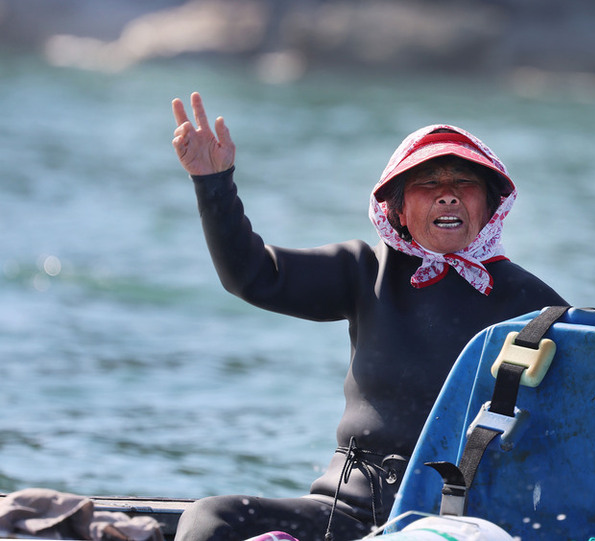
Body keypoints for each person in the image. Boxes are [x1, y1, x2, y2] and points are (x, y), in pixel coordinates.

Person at [170, 92, 567, 541]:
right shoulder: (365, 271)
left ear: (489, 204)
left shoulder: (533, 304)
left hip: (458, 520)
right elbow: (253, 276)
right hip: (345, 512)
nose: (448, 197)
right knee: (210, 516)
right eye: (427, 185)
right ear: (397, 209)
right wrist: (213, 182)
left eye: (463, 183)